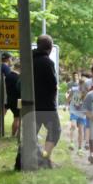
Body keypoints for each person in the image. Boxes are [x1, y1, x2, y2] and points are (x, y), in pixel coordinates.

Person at [31, 34, 61, 167]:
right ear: (50, 48)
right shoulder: (47, 62)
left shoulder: (29, 59)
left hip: (31, 104)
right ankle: (44, 158)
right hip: (47, 105)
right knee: (55, 130)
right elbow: (53, 84)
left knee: (32, 133)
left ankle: (31, 159)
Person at [1, 53, 21, 137]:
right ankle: (14, 135)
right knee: (17, 118)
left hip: (8, 98)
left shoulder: (8, 76)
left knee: (2, 113)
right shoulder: (19, 77)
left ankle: (1, 130)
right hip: (17, 100)